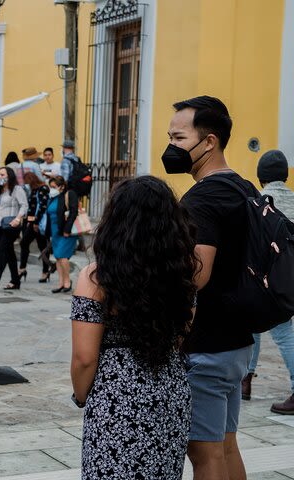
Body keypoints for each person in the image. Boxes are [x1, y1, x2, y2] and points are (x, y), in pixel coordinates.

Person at [71, 175, 197, 479]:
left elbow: (85, 357)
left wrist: (81, 395)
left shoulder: (96, 278)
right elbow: (181, 336)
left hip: (117, 394)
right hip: (170, 389)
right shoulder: (183, 274)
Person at [167, 95, 256, 480]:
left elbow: (196, 274)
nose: (171, 146)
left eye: (178, 137)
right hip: (237, 342)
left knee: (204, 456)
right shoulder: (244, 187)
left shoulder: (202, 198)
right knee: (226, 446)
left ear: (209, 141)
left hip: (205, 345)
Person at [242, 149, 294, 414]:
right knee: (278, 331)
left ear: (261, 178)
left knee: (274, 330)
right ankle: (246, 380)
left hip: (271, 279)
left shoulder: (262, 202)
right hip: (291, 277)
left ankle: (245, 380)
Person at [0, 166, 28, 291]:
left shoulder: (17, 190)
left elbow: (24, 205)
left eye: (3, 175)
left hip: (11, 225)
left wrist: (18, 218)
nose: (0, 177)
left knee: (2, 251)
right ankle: (15, 281)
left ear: (9, 176)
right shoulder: (0, 191)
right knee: (9, 253)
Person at [47, 175, 78, 293]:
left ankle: (67, 282)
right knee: (58, 257)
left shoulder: (69, 194)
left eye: (54, 187)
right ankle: (61, 283)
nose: (51, 189)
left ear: (62, 186)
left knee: (63, 256)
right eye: (50, 187)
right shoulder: (53, 197)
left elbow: (73, 212)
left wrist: (67, 230)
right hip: (55, 231)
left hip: (66, 231)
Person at [18, 172, 50, 283]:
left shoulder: (43, 188)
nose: (25, 184)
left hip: (39, 223)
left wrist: (36, 222)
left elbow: (42, 206)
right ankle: (22, 269)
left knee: (42, 246)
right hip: (32, 222)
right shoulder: (34, 189)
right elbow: (32, 207)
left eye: (26, 181)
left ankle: (45, 271)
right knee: (24, 243)